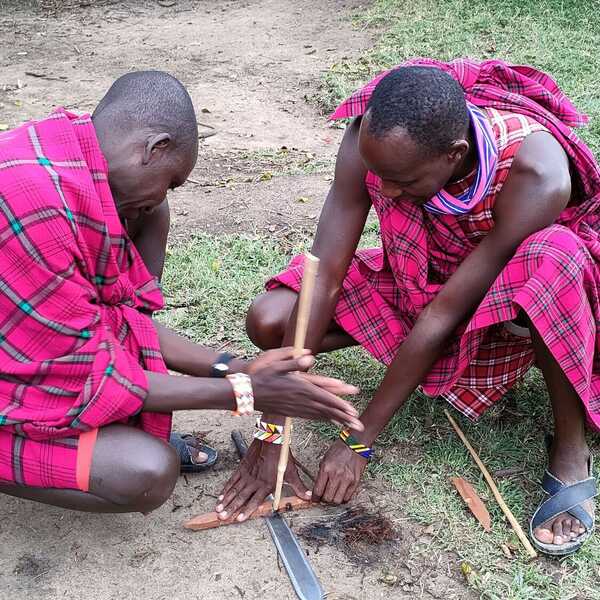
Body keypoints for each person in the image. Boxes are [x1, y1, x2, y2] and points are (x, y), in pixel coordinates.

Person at [219, 58, 600, 556]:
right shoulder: (371, 142)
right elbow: (326, 271)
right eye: (380, 177)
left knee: (555, 255)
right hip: (416, 275)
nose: (387, 191)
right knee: (270, 317)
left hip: (510, 301)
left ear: (453, 154)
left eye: (403, 182)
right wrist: (273, 430)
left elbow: (443, 313)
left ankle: (570, 449)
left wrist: (358, 439)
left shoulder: (535, 173)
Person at [0, 70, 363, 515]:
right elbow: (95, 375)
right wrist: (247, 392)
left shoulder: (72, 152)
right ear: (156, 148)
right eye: (171, 182)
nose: (162, 199)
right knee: (145, 471)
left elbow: (120, 323)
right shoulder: (37, 208)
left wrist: (237, 367)